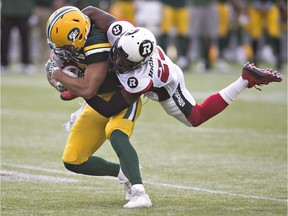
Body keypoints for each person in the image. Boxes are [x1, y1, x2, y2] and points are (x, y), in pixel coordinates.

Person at [80, 15, 282, 127]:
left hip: (168, 83)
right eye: (120, 53)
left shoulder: (140, 79)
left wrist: (82, 90)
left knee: (197, 118)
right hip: (157, 62)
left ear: (137, 63)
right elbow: (89, 10)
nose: (117, 60)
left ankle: (245, 80)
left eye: (125, 60)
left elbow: (109, 109)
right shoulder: (122, 31)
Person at [45, 6, 151, 208]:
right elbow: (54, 58)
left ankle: (140, 194)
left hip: (123, 95)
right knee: (73, 159)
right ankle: (124, 172)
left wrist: (59, 75)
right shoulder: (74, 33)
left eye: (64, 46)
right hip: (98, 99)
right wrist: (59, 79)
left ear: (78, 36)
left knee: (116, 133)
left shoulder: (97, 44)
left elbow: (87, 89)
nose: (60, 51)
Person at [1, 0, 35, 74]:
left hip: (24, 13)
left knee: (25, 39)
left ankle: (26, 63)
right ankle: (3, 63)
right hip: (7, 13)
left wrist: (31, 13)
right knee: (4, 39)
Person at [158, 0, 191, 71]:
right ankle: (161, 58)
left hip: (182, 5)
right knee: (165, 31)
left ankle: (183, 57)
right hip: (168, 4)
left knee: (183, 32)